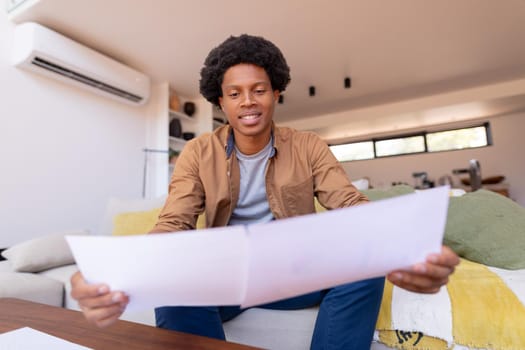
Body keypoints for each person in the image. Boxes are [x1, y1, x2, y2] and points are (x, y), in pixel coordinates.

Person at [71, 34, 459, 349]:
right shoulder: (198, 150)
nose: (248, 102)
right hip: (224, 277)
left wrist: (402, 251)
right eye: (235, 93)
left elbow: (350, 205)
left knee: (366, 271)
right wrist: (121, 274)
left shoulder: (308, 145)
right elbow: (174, 222)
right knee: (173, 284)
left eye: (258, 90)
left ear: (276, 93)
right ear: (220, 101)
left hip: (296, 272)